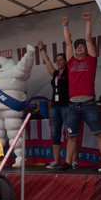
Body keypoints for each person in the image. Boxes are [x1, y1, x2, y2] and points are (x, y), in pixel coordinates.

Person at [64, 12, 101, 172]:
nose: (79, 47)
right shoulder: (70, 62)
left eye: (82, 46)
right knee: (71, 137)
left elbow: (89, 39)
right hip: (73, 106)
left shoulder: (91, 60)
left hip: (89, 105)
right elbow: (68, 43)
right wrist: (65, 25)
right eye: (77, 47)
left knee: (98, 134)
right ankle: (67, 163)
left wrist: (88, 21)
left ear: (86, 50)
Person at [38, 39, 72, 171]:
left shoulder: (70, 73)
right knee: (56, 133)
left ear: (65, 61)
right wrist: (41, 48)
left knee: (70, 134)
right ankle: (57, 160)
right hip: (55, 107)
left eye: (61, 60)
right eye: (57, 60)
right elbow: (47, 61)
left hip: (66, 106)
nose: (58, 61)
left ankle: (72, 161)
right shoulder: (55, 74)